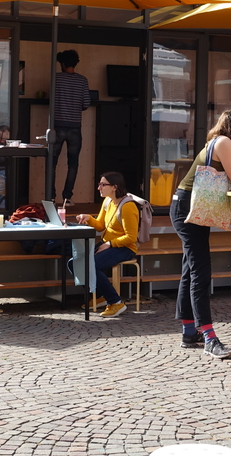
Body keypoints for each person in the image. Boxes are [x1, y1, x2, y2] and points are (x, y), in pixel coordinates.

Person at [171, 109, 231, 359]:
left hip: (193, 206)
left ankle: (190, 332)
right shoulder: (222, 142)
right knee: (201, 270)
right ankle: (209, 337)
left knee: (191, 270)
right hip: (186, 207)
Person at [74, 171, 139, 318]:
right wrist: (89, 218)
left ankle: (116, 302)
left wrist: (110, 244)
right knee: (74, 262)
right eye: (99, 184)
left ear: (114, 187)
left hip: (125, 248)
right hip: (107, 243)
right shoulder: (108, 201)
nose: (99, 188)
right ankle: (101, 296)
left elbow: (131, 237)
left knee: (90, 265)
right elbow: (101, 226)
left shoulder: (128, 206)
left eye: (103, 185)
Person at [51, 49, 91, 206]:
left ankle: (51, 197)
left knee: (52, 162)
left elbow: (51, 100)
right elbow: (86, 103)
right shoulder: (82, 80)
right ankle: (67, 198)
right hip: (75, 127)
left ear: (62, 63)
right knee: (73, 163)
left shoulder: (55, 79)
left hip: (57, 127)